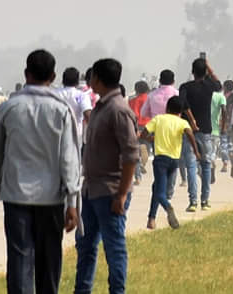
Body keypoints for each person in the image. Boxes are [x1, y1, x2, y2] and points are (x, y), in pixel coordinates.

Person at [0, 50, 81, 294]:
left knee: (19, 257)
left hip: (16, 194)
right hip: (51, 197)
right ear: (53, 75)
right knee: (49, 259)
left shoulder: (9, 107)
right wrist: (73, 201)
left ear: (26, 74)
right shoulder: (62, 110)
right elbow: (69, 159)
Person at [74, 59, 140, 294]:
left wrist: (122, 194)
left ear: (98, 79)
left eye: (91, 76)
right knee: (85, 245)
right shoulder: (101, 106)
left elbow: (131, 156)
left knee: (113, 247)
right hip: (92, 189)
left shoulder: (118, 110)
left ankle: (117, 290)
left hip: (111, 191)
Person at [143, 96, 201, 229]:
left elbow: (143, 134)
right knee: (156, 187)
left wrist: (153, 139)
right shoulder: (182, 122)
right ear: (180, 111)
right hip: (174, 161)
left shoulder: (159, 119)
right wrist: (196, 151)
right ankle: (151, 220)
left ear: (167, 108)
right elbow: (190, 134)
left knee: (159, 192)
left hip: (160, 160)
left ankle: (168, 207)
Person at [178, 58, 219, 211]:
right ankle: (205, 200)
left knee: (191, 165)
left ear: (192, 72)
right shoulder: (209, 86)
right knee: (206, 164)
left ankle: (193, 201)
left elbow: (181, 103)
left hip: (188, 129)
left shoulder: (185, 87)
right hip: (206, 130)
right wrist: (210, 69)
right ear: (205, 72)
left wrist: (191, 119)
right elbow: (219, 85)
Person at [56, 67, 93, 147]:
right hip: (74, 137)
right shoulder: (81, 96)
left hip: (56, 135)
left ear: (63, 80)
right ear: (77, 82)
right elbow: (88, 116)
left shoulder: (55, 93)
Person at [129, 81, 152, 186]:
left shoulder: (132, 101)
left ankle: (138, 177)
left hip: (136, 127)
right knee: (146, 149)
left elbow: (132, 115)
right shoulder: (150, 99)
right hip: (149, 127)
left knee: (136, 153)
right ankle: (143, 163)